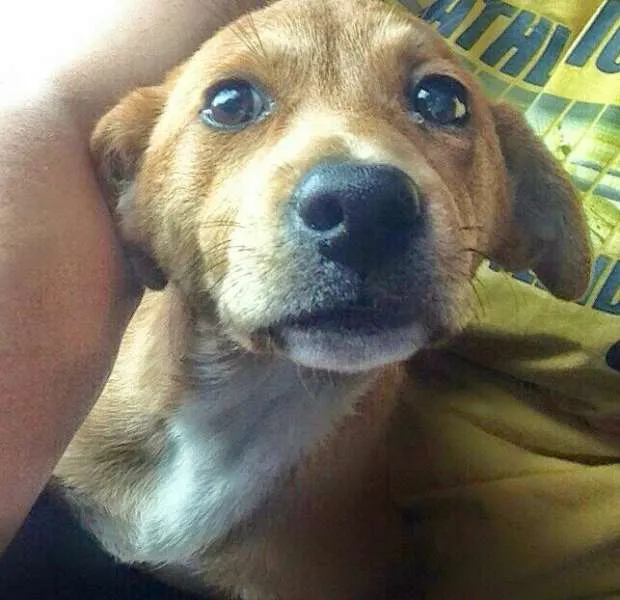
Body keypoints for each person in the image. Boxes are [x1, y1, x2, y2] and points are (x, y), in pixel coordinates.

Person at [1, 0, 618, 596]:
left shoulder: (353, 547)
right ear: (132, 192)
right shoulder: (59, 405)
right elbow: (53, 99)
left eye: (438, 104)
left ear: (512, 203)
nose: (360, 195)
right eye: (232, 105)